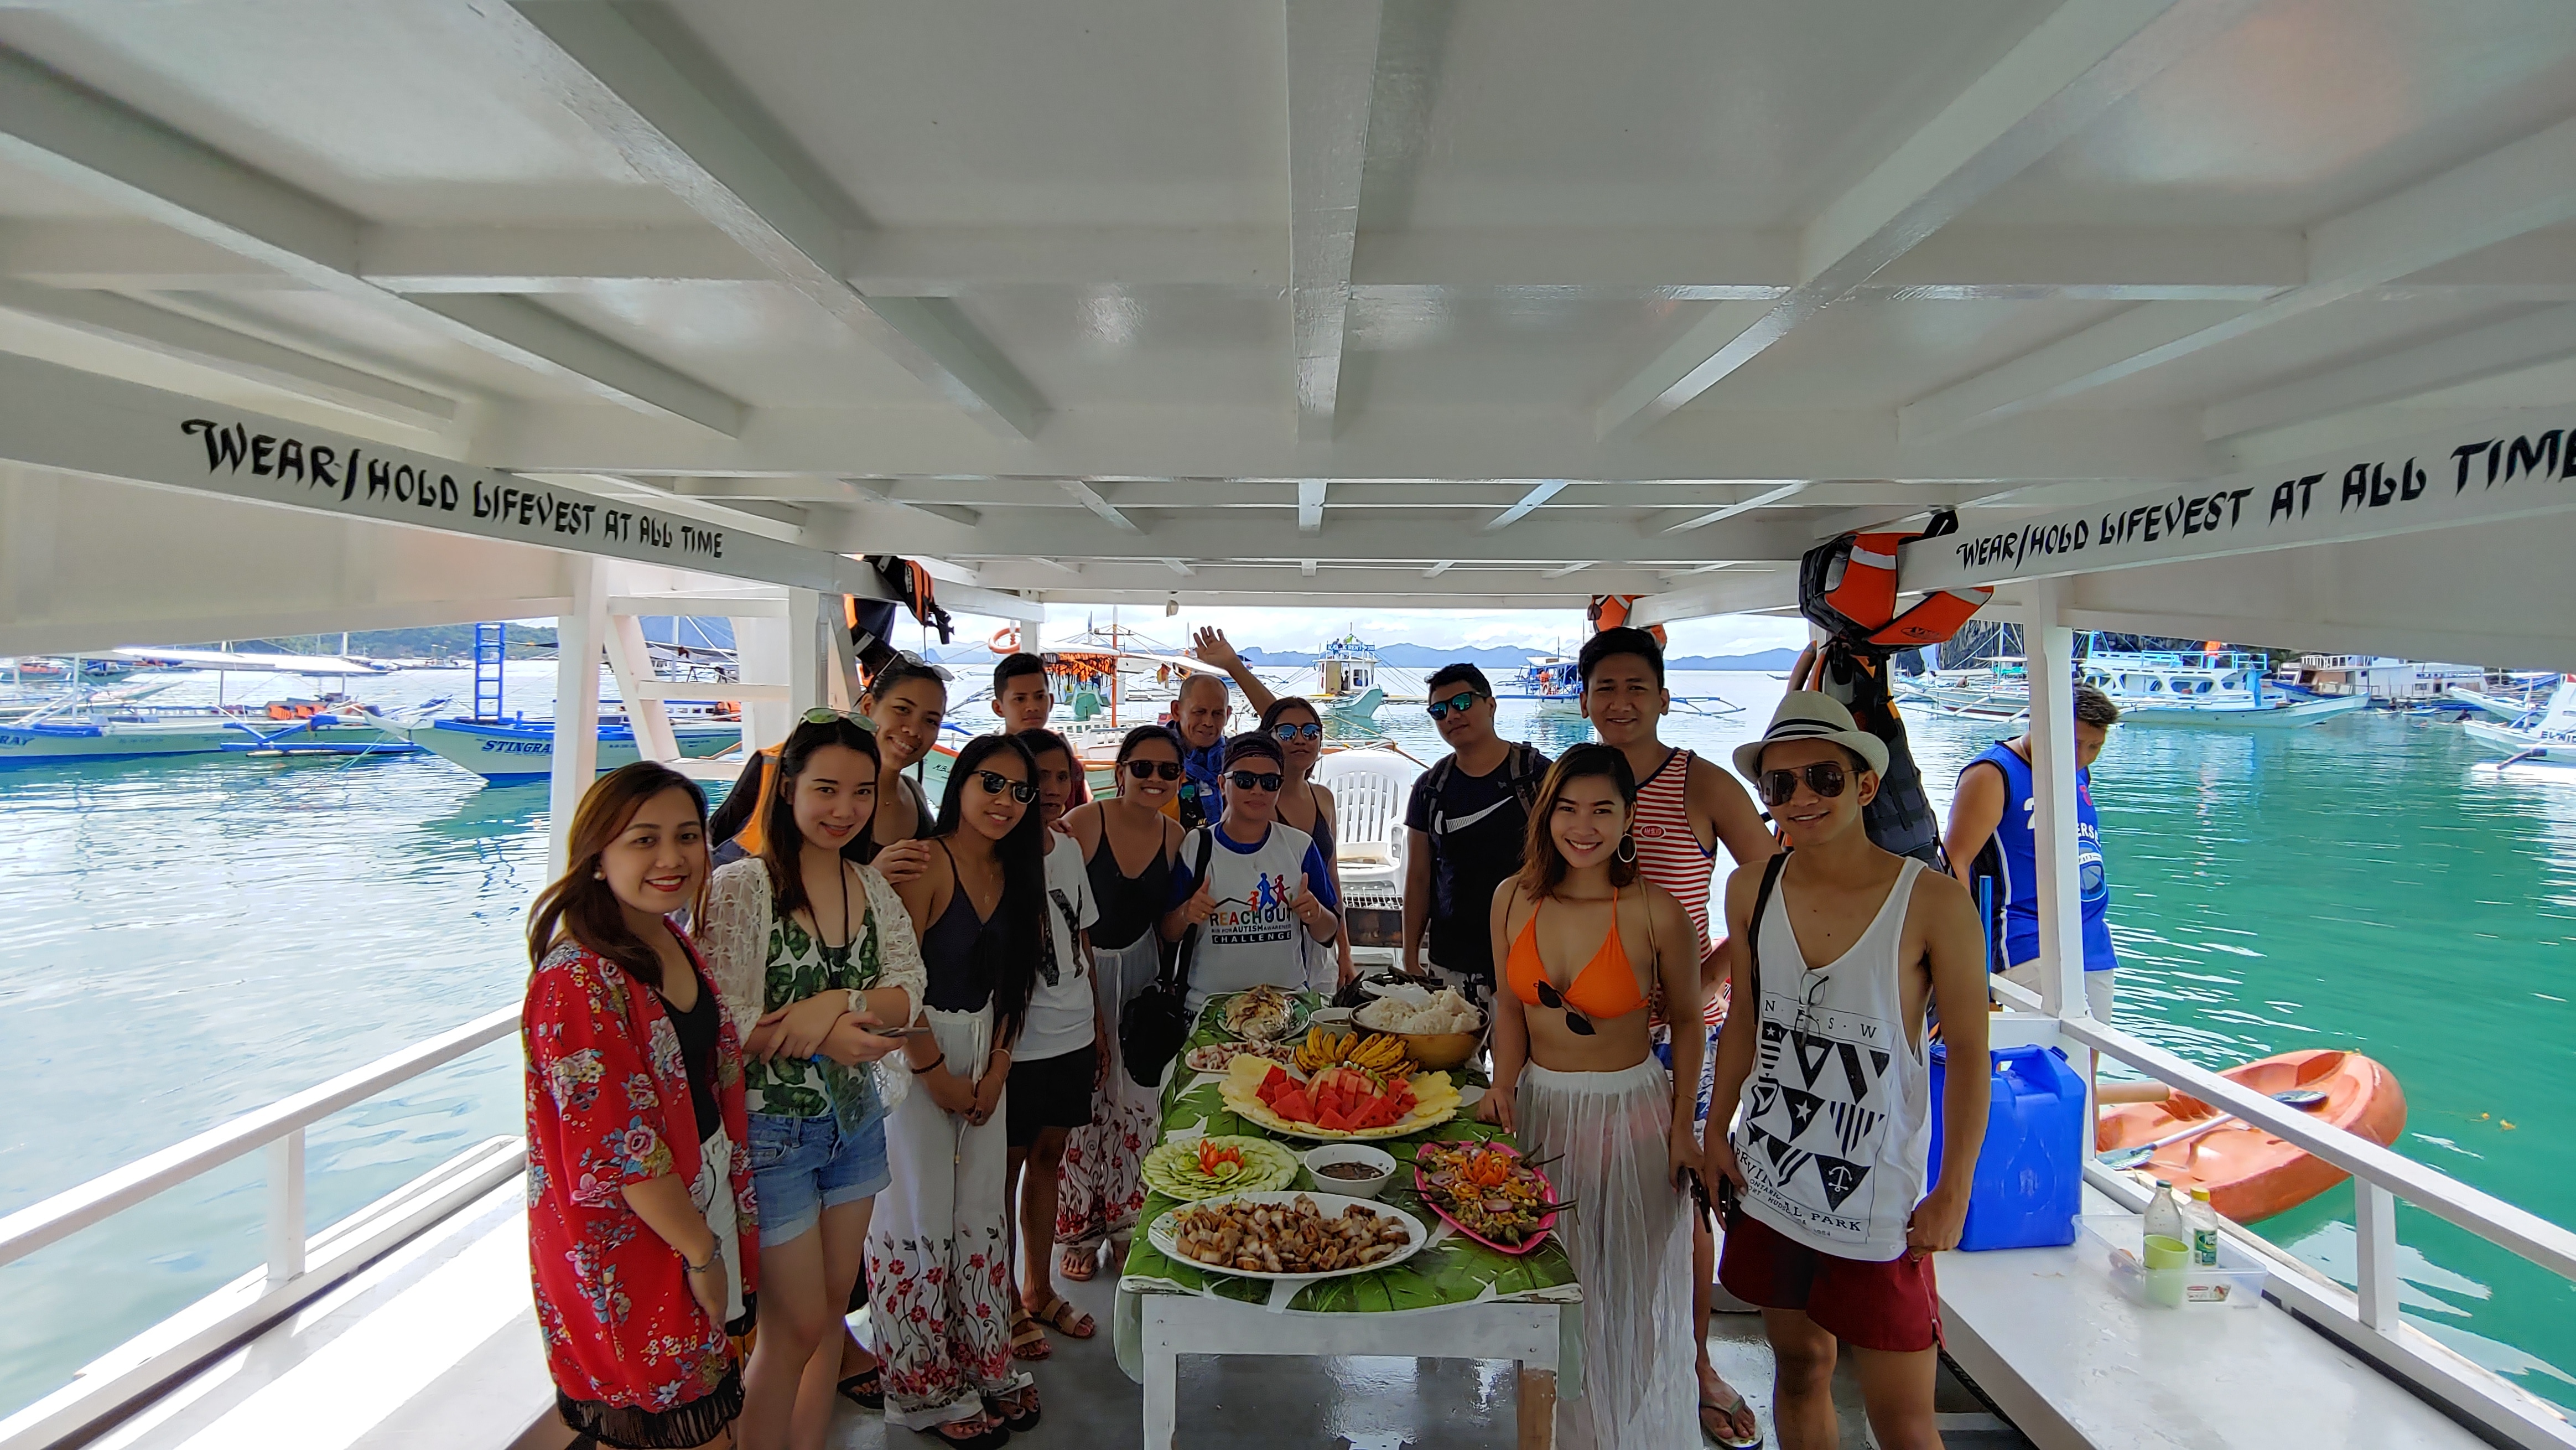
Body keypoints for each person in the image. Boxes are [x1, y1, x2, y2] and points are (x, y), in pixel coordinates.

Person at [1707, 695, 1991, 1450]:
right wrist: (1714, 1133)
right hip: (1771, 1179)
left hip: (1878, 1201)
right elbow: (1745, 1020)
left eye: (1824, 778)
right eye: (1781, 784)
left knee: (1904, 1420)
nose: (1801, 797)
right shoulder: (1750, 889)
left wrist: (1954, 1189)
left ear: (1866, 785)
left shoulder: (1933, 903)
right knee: (1800, 1366)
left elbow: (1969, 1051)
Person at [700, 714, 925, 1450]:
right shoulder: (742, 887)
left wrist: (835, 1005)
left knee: (829, 1311)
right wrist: (826, 1032)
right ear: (789, 788)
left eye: (861, 792)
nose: (844, 809)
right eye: (826, 789)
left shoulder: (870, 886)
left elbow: (908, 989)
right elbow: (719, 1016)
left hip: (855, 1125)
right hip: (773, 1134)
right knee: (791, 1327)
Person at [1575, 626, 1772, 1448]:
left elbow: (1773, 886)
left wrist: (1713, 973)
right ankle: (1588, 1352)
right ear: (1585, 700)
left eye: (1636, 687)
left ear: (1662, 696)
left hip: (1673, 1040)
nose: (1620, 703)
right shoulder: (1572, 783)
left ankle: (1695, 1364)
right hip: (1582, 1041)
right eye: (1604, 688)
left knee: (1682, 1201)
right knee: (1580, 1194)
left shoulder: (1703, 783)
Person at [1478, 744, 1705, 1449]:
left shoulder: (1656, 910)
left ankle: (1622, 1434)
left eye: (1603, 810)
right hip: (1540, 1113)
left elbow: (1691, 1021)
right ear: (1547, 815)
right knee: (1542, 1292)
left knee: (1627, 1295)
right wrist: (1502, 1085)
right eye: (1568, 808)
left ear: (1629, 817)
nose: (1584, 826)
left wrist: (1685, 1128)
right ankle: (1554, 1437)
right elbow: (1510, 1008)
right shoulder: (1511, 897)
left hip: (1630, 1117)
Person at [523, 763, 755, 1450]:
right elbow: (620, 1149)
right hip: (634, 1239)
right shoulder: (577, 978)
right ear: (598, 855)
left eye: (686, 836)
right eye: (644, 839)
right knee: (675, 1425)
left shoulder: (668, 937)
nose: (671, 857)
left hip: (698, 1197)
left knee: (695, 1416)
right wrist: (703, 1254)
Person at [880, 733, 1046, 1445]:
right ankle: (921, 1386)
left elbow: (1017, 983)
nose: (1005, 801)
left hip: (986, 1049)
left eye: (1021, 791)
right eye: (991, 783)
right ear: (961, 783)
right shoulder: (925, 862)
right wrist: (934, 1074)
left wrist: (999, 1066)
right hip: (914, 1054)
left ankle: (984, 1360)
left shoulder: (1019, 873)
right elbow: (895, 980)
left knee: (980, 1212)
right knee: (917, 1216)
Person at [1054, 725, 1186, 1283]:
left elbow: (1170, 925)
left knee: (1137, 1103)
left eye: (1168, 771)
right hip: (1083, 973)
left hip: (1140, 976)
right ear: (1120, 771)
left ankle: (1128, 1219)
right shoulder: (1086, 823)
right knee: (1085, 1101)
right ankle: (1080, 1229)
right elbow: (1061, 911)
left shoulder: (1176, 837)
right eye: (1143, 768)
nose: (1154, 779)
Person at [1001, 729, 1103, 1361]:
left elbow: (1082, 940)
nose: (1050, 789)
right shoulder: (991, 855)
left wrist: (1099, 1028)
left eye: (1061, 776)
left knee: (1050, 1157)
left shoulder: (1067, 848)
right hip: (1018, 1043)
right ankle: (1003, 1301)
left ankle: (1038, 1288)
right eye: (1036, 778)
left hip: (1073, 1031)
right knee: (1004, 1170)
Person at [1943, 683, 2123, 1020]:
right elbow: (1956, 862)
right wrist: (1964, 955)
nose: (2081, 757)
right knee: (2072, 1034)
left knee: (2096, 1043)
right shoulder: (1993, 775)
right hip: (2023, 937)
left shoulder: (2077, 771)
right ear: (2039, 724)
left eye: (2094, 747)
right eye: (2074, 743)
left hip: (2091, 937)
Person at [1161, 733, 1341, 1015]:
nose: (1258, 790)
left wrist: (1316, 914)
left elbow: (1328, 933)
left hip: (1286, 1006)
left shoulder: (1300, 846)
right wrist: (1187, 913)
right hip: (1209, 1008)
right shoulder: (1197, 846)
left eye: (1270, 782)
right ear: (1223, 784)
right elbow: (1168, 933)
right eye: (1245, 780)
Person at [1403, 664, 1550, 1003]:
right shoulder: (1430, 787)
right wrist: (1410, 956)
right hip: (1450, 963)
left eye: (1463, 703)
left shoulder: (1537, 777)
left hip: (1528, 958)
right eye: (1439, 711)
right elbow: (1419, 877)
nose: (1452, 716)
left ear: (1491, 705)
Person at [1259, 696, 1349, 989]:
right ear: (1268, 738)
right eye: (1287, 732)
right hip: (1272, 942)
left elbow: (1332, 878)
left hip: (1321, 938)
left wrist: (1345, 952)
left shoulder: (1323, 798)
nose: (1300, 740)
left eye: (1311, 732)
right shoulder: (1257, 803)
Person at [861, 655, 949, 892]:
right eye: (902, 709)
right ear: (868, 707)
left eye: (930, 721)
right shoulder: (834, 799)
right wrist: (870, 879)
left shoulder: (914, 791)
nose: (913, 730)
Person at [1167, 669, 1235, 830]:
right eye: (1200, 712)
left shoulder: (1236, 760)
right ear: (1177, 711)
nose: (1208, 722)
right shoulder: (1155, 758)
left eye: (1217, 714)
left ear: (1228, 715)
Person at [990, 652, 1052, 734]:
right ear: (998, 708)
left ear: (1051, 702)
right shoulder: (988, 744)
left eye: (1040, 697)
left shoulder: (1060, 742)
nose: (1033, 707)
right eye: (1020, 699)